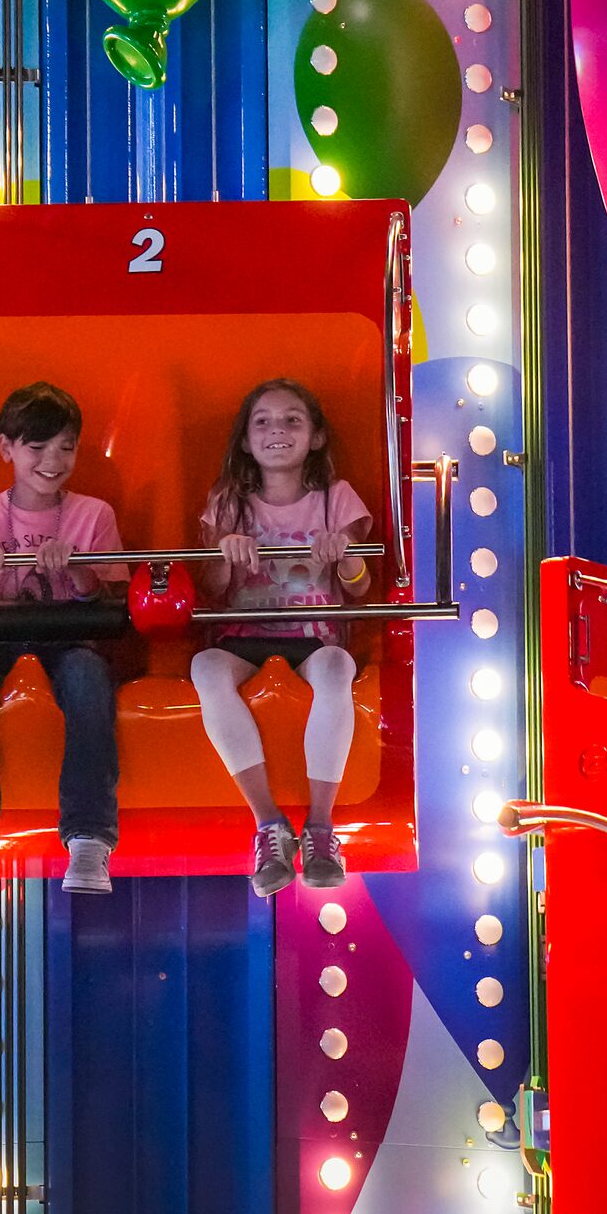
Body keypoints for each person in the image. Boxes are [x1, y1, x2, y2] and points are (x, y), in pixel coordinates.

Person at [0, 382, 126, 902]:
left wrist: (79, 570)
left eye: (65, 447)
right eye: (37, 447)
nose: (52, 460)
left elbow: (108, 600)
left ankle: (89, 837)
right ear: (7, 449)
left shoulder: (93, 515)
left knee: (88, 676)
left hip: (66, 635)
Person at [193, 378, 373, 898]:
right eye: (263, 422)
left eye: (293, 420)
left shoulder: (336, 501)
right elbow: (212, 591)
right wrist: (225, 555)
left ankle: (320, 827)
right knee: (206, 669)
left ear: (315, 437)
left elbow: (360, 590)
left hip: (313, 633)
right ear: (247, 441)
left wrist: (348, 558)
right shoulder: (229, 503)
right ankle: (268, 822)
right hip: (244, 631)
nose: (278, 431)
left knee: (337, 668)